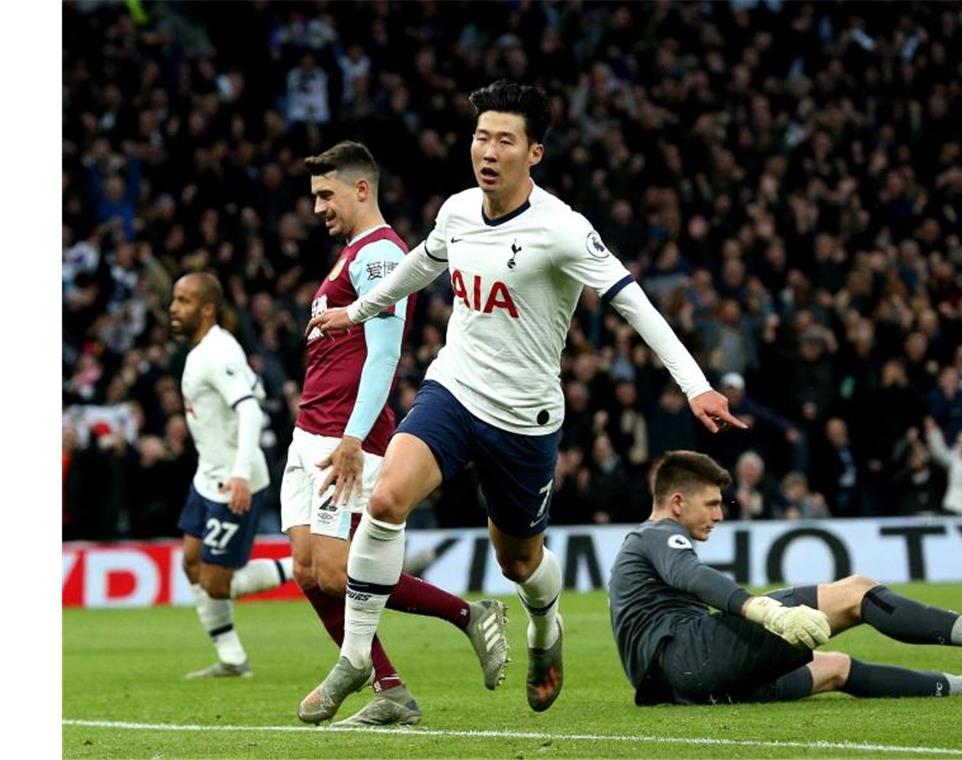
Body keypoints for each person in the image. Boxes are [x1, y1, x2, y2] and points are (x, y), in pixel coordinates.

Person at [304, 80, 746, 715]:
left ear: (533, 153)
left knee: (518, 562)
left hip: (523, 418)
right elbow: (422, 265)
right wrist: (359, 311)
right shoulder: (457, 211)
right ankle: (354, 658)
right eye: (481, 136)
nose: (487, 150)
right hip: (454, 388)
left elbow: (633, 302)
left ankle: (545, 625)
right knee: (386, 497)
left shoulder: (561, 230)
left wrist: (695, 384)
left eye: (504, 139)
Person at [287, 141, 509, 727]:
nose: (318, 209)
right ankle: (390, 689)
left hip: (344, 436)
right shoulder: (352, 254)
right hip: (310, 430)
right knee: (308, 571)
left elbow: (384, 356)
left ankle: (468, 616)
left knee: (338, 571)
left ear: (362, 189)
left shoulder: (382, 256)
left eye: (325, 196)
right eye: (314, 198)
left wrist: (355, 439)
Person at [609, 450, 962, 706]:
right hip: (688, 659)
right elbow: (690, 574)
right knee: (854, 593)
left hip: (681, 687)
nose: (718, 515)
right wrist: (763, 609)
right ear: (675, 502)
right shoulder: (655, 534)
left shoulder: (647, 546)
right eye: (710, 504)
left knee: (835, 668)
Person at [169, 272, 295, 678]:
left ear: (207, 307)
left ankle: (304, 566)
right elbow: (255, 390)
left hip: (231, 482)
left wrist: (239, 472)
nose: (174, 308)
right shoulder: (210, 348)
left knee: (218, 583)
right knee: (191, 563)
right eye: (175, 299)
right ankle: (232, 659)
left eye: (184, 301)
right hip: (207, 476)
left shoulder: (216, 352)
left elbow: (251, 408)